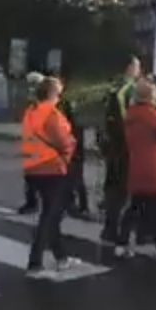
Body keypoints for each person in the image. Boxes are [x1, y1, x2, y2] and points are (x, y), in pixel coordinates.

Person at [24, 77, 82, 275]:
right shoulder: (52, 114)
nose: (60, 96)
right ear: (50, 94)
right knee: (50, 216)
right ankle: (35, 261)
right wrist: (71, 146)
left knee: (51, 214)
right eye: (58, 93)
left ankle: (61, 257)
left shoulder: (31, 112)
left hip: (33, 168)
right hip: (52, 168)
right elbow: (65, 142)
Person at [120, 80, 156, 257]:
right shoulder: (153, 115)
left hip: (136, 165)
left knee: (134, 207)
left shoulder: (130, 115)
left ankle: (122, 243)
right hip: (155, 167)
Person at [99, 57, 140, 243]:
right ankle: (114, 229)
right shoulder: (127, 89)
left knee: (112, 186)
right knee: (121, 189)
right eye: (137, 66)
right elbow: (128, 120)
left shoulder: (113, 87)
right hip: (123, 146)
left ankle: (109, 227)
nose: (139, 70)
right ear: (129, 68)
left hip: (112, 144)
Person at [58, 91, 92, 220]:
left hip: (73, 145)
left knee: (74, 177)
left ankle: (78, 206)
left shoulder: (67, 105)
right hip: (73, 144)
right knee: (74, 177)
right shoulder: (72, 104)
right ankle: (77, 205)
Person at [18, 71, 47, 215]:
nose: (30, 88)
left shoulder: (42, 103)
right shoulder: (32, 103)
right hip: (32, 144)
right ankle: (32, 202)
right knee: (31, 177)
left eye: (33, 85)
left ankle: (35, 203)